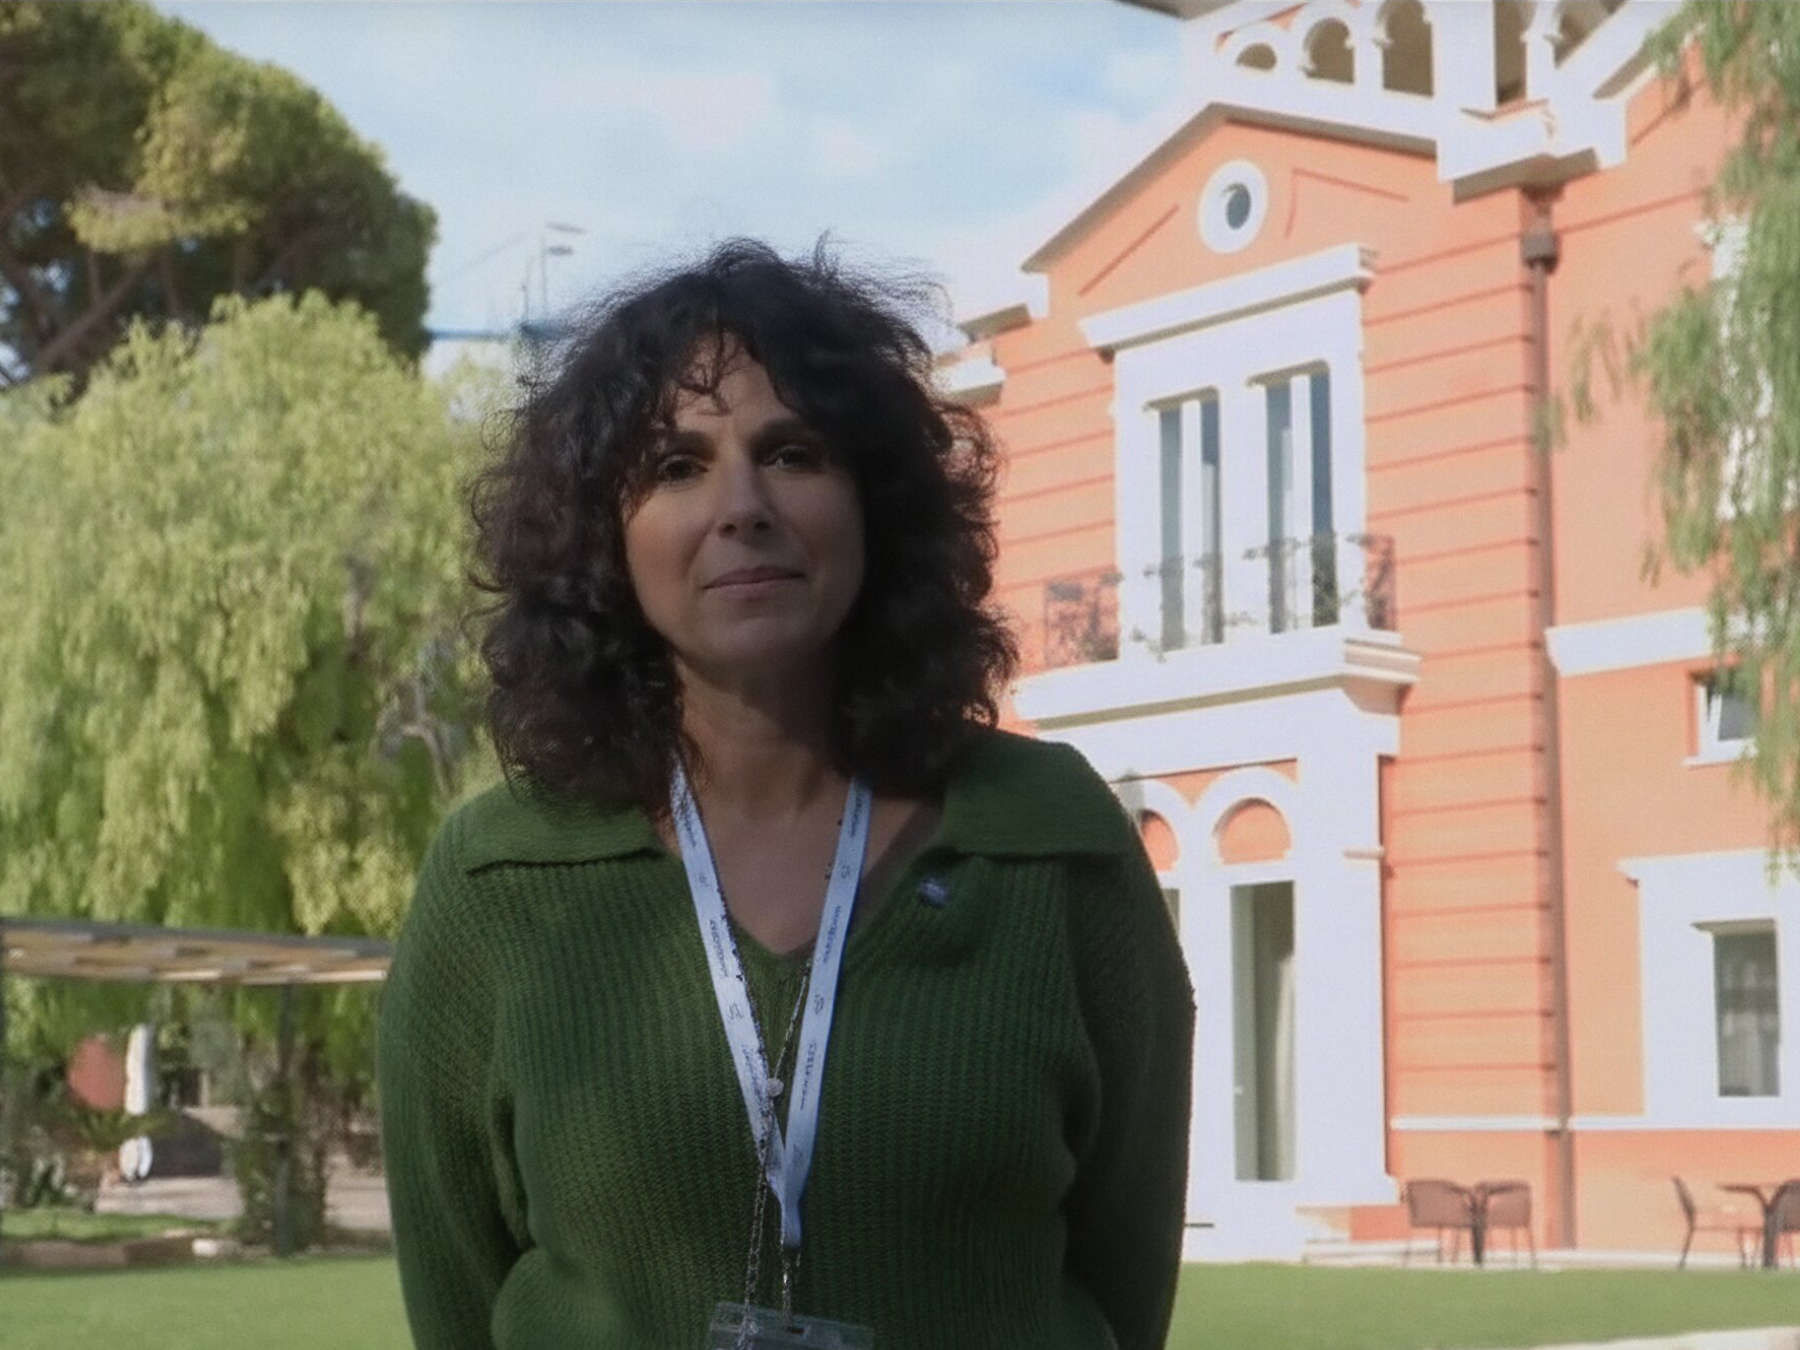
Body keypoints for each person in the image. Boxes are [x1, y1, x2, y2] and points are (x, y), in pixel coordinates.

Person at [377, 239, 1195, 1350]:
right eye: (675, 465)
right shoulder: (498, 877)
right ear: (603, 541)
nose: (741, 505)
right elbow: (458, 1300)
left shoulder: (1052, 842)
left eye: (793, 452)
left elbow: (1124, 1278)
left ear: (877, 505)